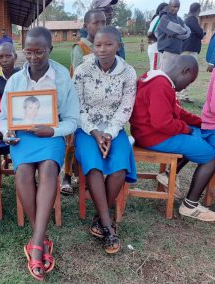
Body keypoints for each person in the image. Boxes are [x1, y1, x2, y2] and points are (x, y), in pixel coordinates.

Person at [0, 27, 79, 280]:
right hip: (23, 138)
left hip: (50, 137)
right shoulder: (15, 81)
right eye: (29, 51)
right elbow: (3, 117)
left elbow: (72, 120)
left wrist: (52, 129)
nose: (33, 57)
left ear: (50, 50)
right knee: (22, 172)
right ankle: (40, 239)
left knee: (47, 170)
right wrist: (6, 133)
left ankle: (35, 246)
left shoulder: (62, 76)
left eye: (39, 52)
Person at [74, 26, 137, 254]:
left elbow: (125, 107)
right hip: (86, 129)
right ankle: (109, 228)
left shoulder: (128, 73)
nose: (102, 49)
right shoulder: (82, 70)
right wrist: (95, 132)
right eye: (98, 45)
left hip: (115, 129)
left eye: (108, 44)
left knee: (119, 166)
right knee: (93, 167)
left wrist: (109, 133)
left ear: (118, 46)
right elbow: (77, 106)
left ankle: (100, 218)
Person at [130, 55, 215, 222]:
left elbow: (178, 112)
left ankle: (169, 175)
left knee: (197, 135)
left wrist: (200, 123)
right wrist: (186, 129)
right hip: (153, 137)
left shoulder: (158, 78)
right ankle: (190, 205)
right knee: (211, 155)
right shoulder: (161, 85)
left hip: (148, 133)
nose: (186, 87)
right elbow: (162, 123)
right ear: (185, 71)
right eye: (189, 82)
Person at [62, 9, 106, 196]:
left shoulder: (110, 45)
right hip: (80, 100)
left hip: (103, 101)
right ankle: (67, 175)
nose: (100, 26)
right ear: (86, 26)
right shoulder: (80, 47)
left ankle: (86, 174)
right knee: (72, 139)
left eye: (103, 22)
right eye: (96, 23)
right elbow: (80, 76)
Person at [157, 0, 190, 69]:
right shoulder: (164, 18)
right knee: (164, 75)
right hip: (167, 53)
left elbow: (188, 31)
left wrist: (176, 35)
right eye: (174, 7)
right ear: (169, 6)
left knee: (173, 76)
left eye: (178, 7)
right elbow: (176, 28)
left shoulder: (179, 19)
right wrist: (183, 32)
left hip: (177, 53)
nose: (176, 9)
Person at [147, 3, 168, 70]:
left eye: (168, 9)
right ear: (160, 10)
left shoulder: (163, 19)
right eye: (165, 9)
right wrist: (158, 41)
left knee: (158, 71)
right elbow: (150, 32)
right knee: (154, 72)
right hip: (155, 49)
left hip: (159, 49)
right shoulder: (158, 18)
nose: (166, 11)